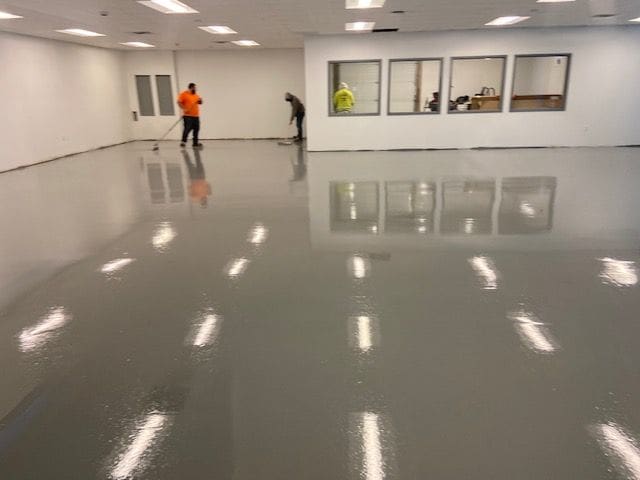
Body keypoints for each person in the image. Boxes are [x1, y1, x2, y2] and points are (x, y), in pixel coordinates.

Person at [177, 83, 203, 149]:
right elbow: (179, 102)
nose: (196, 89)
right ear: (191, 88)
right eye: (194, 88)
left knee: (196, 129)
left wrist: (200, 101)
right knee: (187, 128)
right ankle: (183, 142)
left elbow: (200, 103)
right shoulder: (184, 94)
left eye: (196, 88)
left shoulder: (196, 95)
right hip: (188, 115)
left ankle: (195, 143)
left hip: (196, 116)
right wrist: (184, 108)